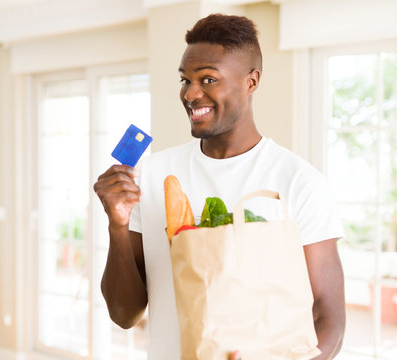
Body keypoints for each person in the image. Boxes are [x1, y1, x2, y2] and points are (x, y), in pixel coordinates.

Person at [94, 13, 345, 360]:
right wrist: (117, 225)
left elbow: (328, 317)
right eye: (185, 80)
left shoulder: (298, 182)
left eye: (208, 79)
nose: (191, 94)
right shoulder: (151, 175)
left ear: (251, 81)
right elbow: (124, 315)